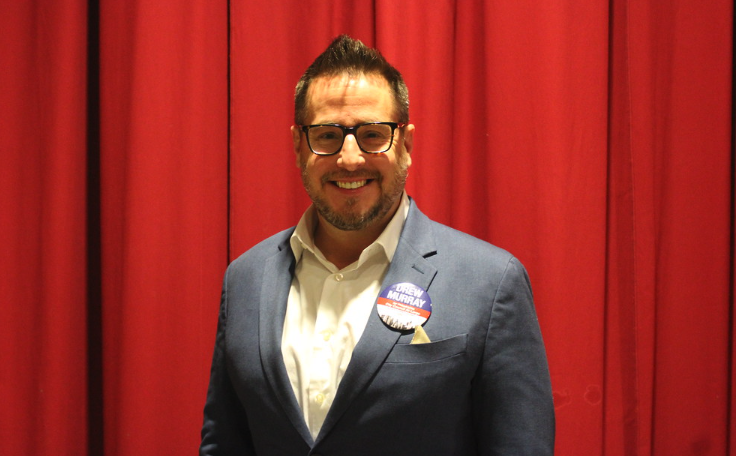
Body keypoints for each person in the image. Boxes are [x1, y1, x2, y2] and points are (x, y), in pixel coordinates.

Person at [200, 35, 554, 455]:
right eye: (327, 135)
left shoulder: (490, 284)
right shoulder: (245, 279)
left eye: (372, 134)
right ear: (298, 145)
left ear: (406, 144)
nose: (350, 159)